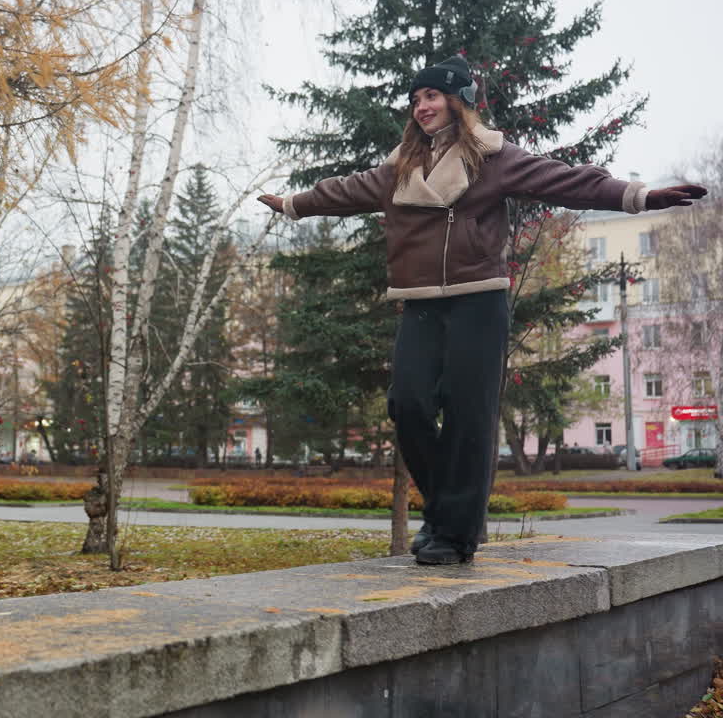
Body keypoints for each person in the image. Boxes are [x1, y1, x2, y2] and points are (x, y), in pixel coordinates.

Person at [258, 55, 706, 565]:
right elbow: (347, 190)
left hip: (478, 299)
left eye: (431, 96)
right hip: (420, 303)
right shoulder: (400, 166)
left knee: (468, 416)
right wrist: (294, 204)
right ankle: (445, 513)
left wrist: (640, 196)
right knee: (408, 405)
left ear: (458, 101)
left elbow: (566, 181)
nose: (421, 106)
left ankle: (454, 535)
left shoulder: (493, 158)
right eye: (416, 99)